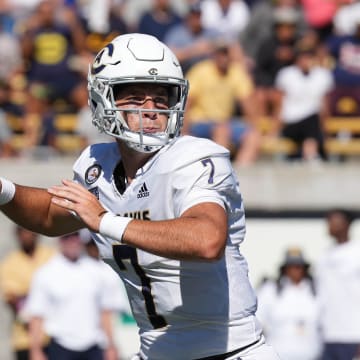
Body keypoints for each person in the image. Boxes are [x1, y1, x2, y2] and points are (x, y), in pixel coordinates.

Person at [0, 33, 280, 360]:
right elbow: (48, 215)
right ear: (103, 100)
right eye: (135, 96)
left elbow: (207, 240)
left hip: (230, 351)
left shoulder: (193, 157)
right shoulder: (97, 166)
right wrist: (4, 190)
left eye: (161, 97)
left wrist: (107, 221)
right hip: (156, 350)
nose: (151, 109)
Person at [25, 231, 120, 360]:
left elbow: (105, 312)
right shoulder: (46, 273)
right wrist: (35, 350)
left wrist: (111, 345)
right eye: (67, 237)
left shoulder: (97, 271)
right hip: (61, 346)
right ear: (59, 240)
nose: (72, 241)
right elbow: (37, 315)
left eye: (76, 236)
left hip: (93, 346)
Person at [184, 41, 261, 166]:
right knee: (222, 131)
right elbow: (187, 102)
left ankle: (242, 172)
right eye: (220, 54)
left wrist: (255, 125)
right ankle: (219, 173)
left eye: (226, 54)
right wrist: (184, 130)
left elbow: (248, 102)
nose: (223, 57)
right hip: (200, 121)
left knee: (253, 135)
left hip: (225, 122)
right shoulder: (200, 71)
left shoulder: (236, 72)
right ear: (214, 55)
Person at [256, 247, 322, 360]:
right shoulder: (270, 290)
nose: (295, 270)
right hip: (279, 355)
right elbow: (257, 322)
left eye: (299, 266)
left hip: (311, 355)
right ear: (284, 269)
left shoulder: (317, 290)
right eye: (291, 266)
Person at [0, 226, 55, 360]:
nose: (27, 237)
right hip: (25, 339)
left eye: (30, 233)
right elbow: (13, 299)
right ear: (17, 235)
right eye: (23, 233)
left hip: (54, 336)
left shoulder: (51, 256)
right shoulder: (9, 263)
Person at [314, 209, 360, 360]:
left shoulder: (356, 252)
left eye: (335, 221)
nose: (330, 226)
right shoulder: (325, 256)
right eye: (329, 222)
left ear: (347, 224)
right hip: (328, 335)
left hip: (353, 336)